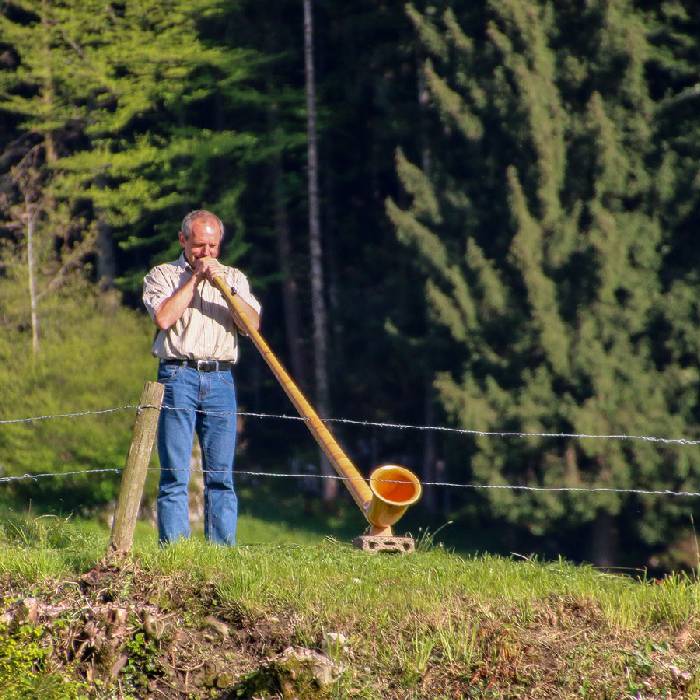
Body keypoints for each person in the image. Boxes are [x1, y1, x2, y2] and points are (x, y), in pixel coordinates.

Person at [142, 209, 261, 545]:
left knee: (221, 477)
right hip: (178, 375)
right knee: (175, 475)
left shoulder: (234, 278)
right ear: (183, 241)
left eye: (212, 246)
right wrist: (194, 279)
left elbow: (251, 326)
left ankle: (220, 556)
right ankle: (176, 556)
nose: (206, 254)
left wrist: (225, 289)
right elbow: (164, 319)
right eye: (198, 246)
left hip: (221, 379)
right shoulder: (162, 275)